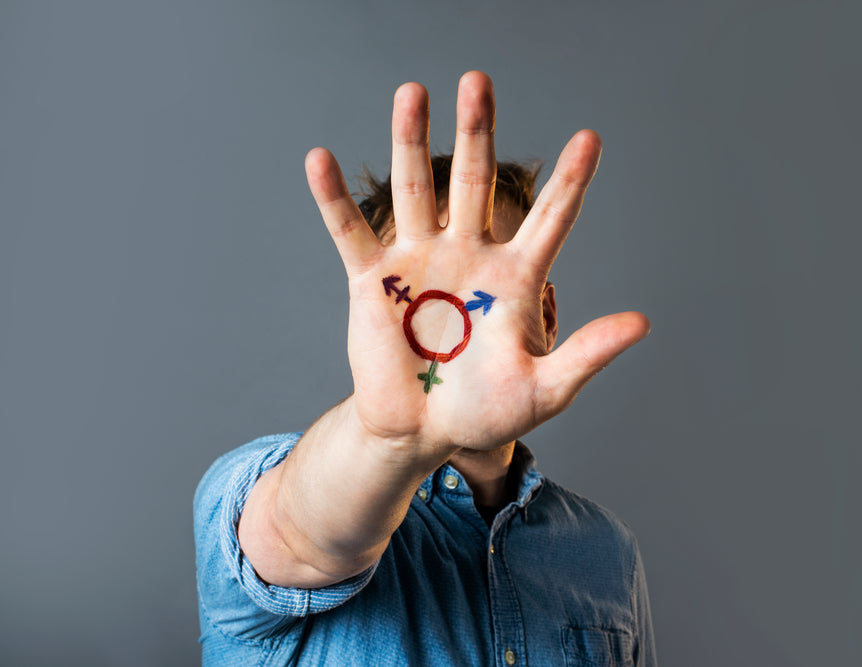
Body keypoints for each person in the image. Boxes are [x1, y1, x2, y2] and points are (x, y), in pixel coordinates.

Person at [194, 71, 656, 666]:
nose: (460, 321)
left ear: (546, 313)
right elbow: (295, 540)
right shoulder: (264, 497)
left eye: (488, 293)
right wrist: (391, 437)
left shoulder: (606, 551)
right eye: (424, 298)